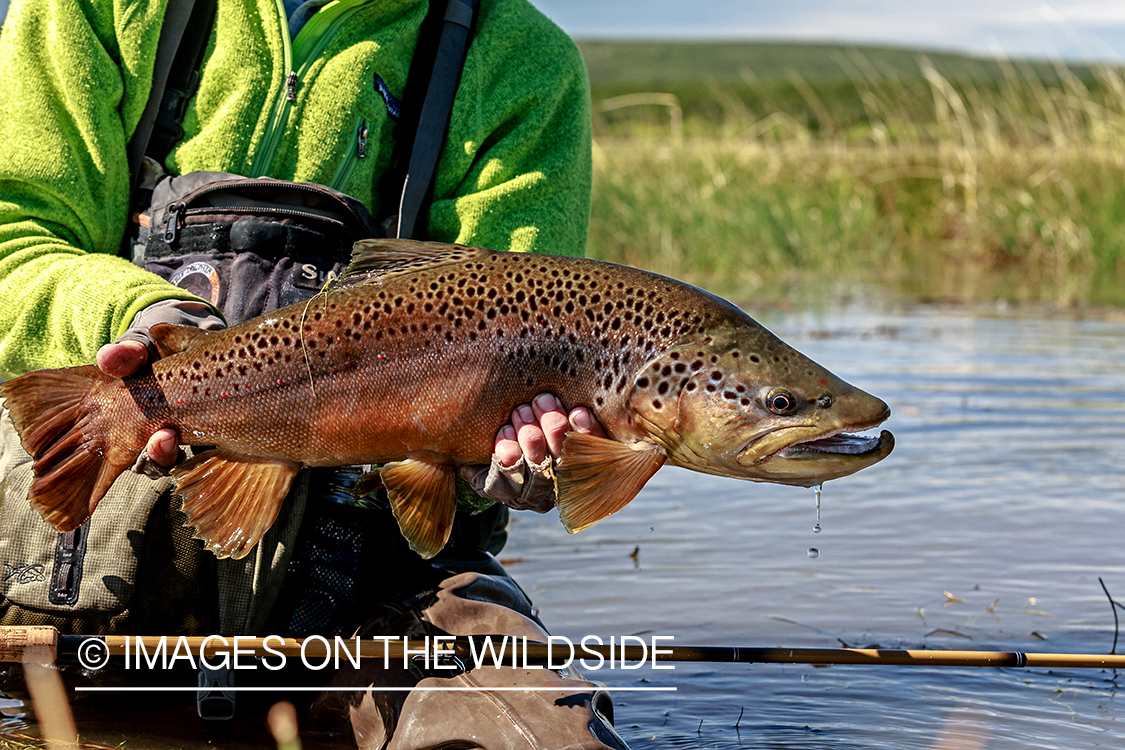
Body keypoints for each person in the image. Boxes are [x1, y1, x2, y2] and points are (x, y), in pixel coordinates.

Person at [0, 0, 629, 745]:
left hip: (387, 586)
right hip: (84, 559)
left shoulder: (518, 57)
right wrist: (150, 322)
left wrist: (518, 463)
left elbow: (521, 320)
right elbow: (16, 236)